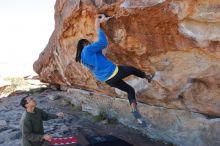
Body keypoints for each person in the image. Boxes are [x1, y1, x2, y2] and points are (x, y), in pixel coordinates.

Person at [75, 14, 154, 126]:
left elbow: (99, 55)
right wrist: (98, 23)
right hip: (113, 72)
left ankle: (135, 111)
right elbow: (103, 43)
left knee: (130, 90)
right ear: (84, 44)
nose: (91, 43)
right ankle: (147, 76)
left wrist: (103, 21)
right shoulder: (87, 49)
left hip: (108, 80)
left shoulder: (83, 60)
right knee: (131, 69)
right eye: (89, 43)